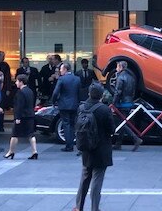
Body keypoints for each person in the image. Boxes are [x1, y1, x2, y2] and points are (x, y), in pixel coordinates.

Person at [73, 82, 115, 211]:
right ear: (101, 95)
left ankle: (78, 206)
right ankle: (95, 208)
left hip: (86, 147)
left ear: (89, 93)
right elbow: (111, 129)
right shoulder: (104, 109)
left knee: (85, 177)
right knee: (97, 179)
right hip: (101, 148)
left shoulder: (81, 108)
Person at [3, 74, 38, 160]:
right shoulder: (30, 91)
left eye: (17, 81)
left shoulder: (20, 92)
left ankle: (11, 151)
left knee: (14, 134)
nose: (16, 83)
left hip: (22, 117)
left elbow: (19, 106)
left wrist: (17, 117)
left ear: (21, 82)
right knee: (31, 134)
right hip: (30, 115)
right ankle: (34, 151)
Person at [110, 61, 142, 151]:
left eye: (117, 67)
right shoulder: (131, 77)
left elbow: (118, 92)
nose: (116, 69)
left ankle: (135, 139)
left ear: (120, 67)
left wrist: (113, 103)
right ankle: (118, 143)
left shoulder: (120, 77)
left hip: (122, 103)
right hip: (129, 102)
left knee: (121, 123)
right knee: (123, 122)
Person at [51, 62, 81, 152]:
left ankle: (69, 145)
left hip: (64, 105)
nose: (60, 71)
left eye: (61, 69)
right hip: (75, 104)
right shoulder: (77, 79)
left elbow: (56, 92)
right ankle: (71, 142)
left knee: (66, 124)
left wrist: (53, 101)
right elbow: (80, 92)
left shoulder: (61, 79)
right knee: (72, 124)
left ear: (65, 69)